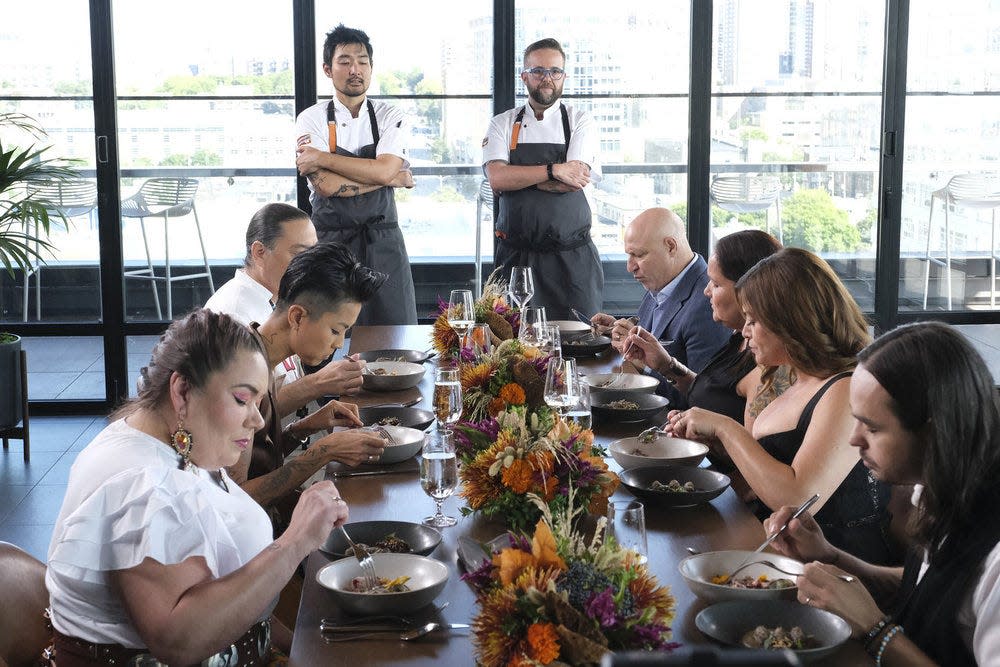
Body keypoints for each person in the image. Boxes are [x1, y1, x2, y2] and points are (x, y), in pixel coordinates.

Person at [46, 309, 349, 664]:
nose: (255, 418)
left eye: (257, 402)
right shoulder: (146, 487)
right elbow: (178, 642)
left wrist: (300, 647)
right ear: (182, 390)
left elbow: (240, 605)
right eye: (242, 399)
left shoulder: (167, 439)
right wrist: (295, 541)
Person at [766, 322, 1000, 665]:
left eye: (872, 428)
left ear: (935, 433)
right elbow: (923, 586)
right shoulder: (940, 483)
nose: (854, 439)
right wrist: (831, 556)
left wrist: (876, 630)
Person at [667, 248, 893, 564]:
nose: (744, 332)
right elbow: (765, 473)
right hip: (773, 548)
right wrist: (715, 444)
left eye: (753, 320)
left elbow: (799, 498)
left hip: (836, 570)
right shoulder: (786, 376)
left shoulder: (845, 388)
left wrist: (725, 428)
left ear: (790, 322)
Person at [228, 242, 388, 535]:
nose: (339, 344)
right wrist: (322, 451)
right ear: (298, 317)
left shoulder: (258, 353)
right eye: (336, 330)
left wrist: (304, 427)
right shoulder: (241, 376)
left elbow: (259, 459)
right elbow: (236, 499)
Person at [294, 24, 417, 326]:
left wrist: (323, 158)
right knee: (326, 338)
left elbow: (386, 168)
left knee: (395, 336)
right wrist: (387, 179)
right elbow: (325, 186)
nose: (355, 69)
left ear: (371, 67)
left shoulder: (391, 115)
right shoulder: (311, 118)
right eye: (345, 61)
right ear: (327, 68)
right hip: (331, 242)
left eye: (362, 61)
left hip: (384, 241)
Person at [483, 37, 604, 320]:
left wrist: (521, 178)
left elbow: (573, 179)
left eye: (554, 71)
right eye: (538, 71)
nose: (546, 78)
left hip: (572, 263)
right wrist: (553, 170)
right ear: (524, 76)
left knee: (580, 345)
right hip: (515, 260)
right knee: (512, 350)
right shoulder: (502, 123)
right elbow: (498, 179)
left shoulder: (579, 121)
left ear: (564, 76)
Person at [205, 202, 367, 412]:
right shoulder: (232, 315)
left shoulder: (278, 298)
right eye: (301, 255)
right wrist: (318, 383)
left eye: (314, 254)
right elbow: (239, 412)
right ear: (260, 252)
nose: (312, 266)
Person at [623, 229, 785, 429]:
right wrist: (666, 365)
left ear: (750, 290)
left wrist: (718, 431)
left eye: (716, 284)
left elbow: (754, 449)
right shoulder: (739, 337)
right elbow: (712, 395)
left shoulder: (770, 359)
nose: (706, 291)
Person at [592, 207, 731, 408]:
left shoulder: (707, 303)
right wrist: (619, 329)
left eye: (638, 255)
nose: (630, 266)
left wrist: (644, 366)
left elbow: (703, 399)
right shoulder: (664, 281)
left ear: (671, 246)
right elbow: (654, 333)